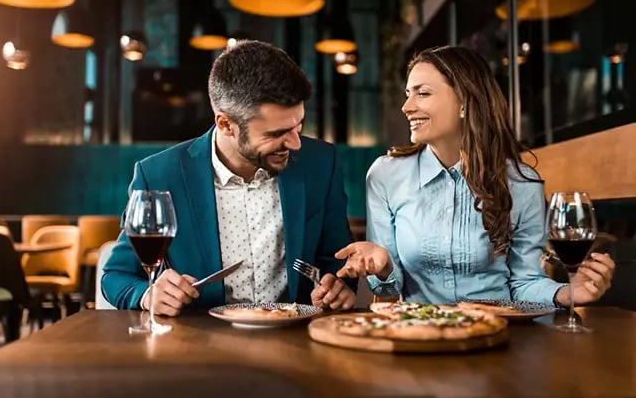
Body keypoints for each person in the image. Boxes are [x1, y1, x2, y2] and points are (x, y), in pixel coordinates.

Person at [334, 45, 614, 308]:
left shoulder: (521, 183)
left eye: (422, 93)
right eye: (408, 93)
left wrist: (569, 292)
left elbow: (524, 283)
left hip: (500, 334)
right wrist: (383, 265)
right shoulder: (385, 174)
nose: (406, 106)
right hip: (419, 334)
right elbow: (386, 289)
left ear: (465, 103)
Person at [102, 40, 357, 316]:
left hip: (297, 341)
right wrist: (148, 295)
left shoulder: (321, 163)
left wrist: (340, 284)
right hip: (201, 344)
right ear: (225, 124)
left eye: (298, 126)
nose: (295, 144)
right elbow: (116, 276)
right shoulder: (160, 175)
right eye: (275, 134)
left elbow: (338, 262)